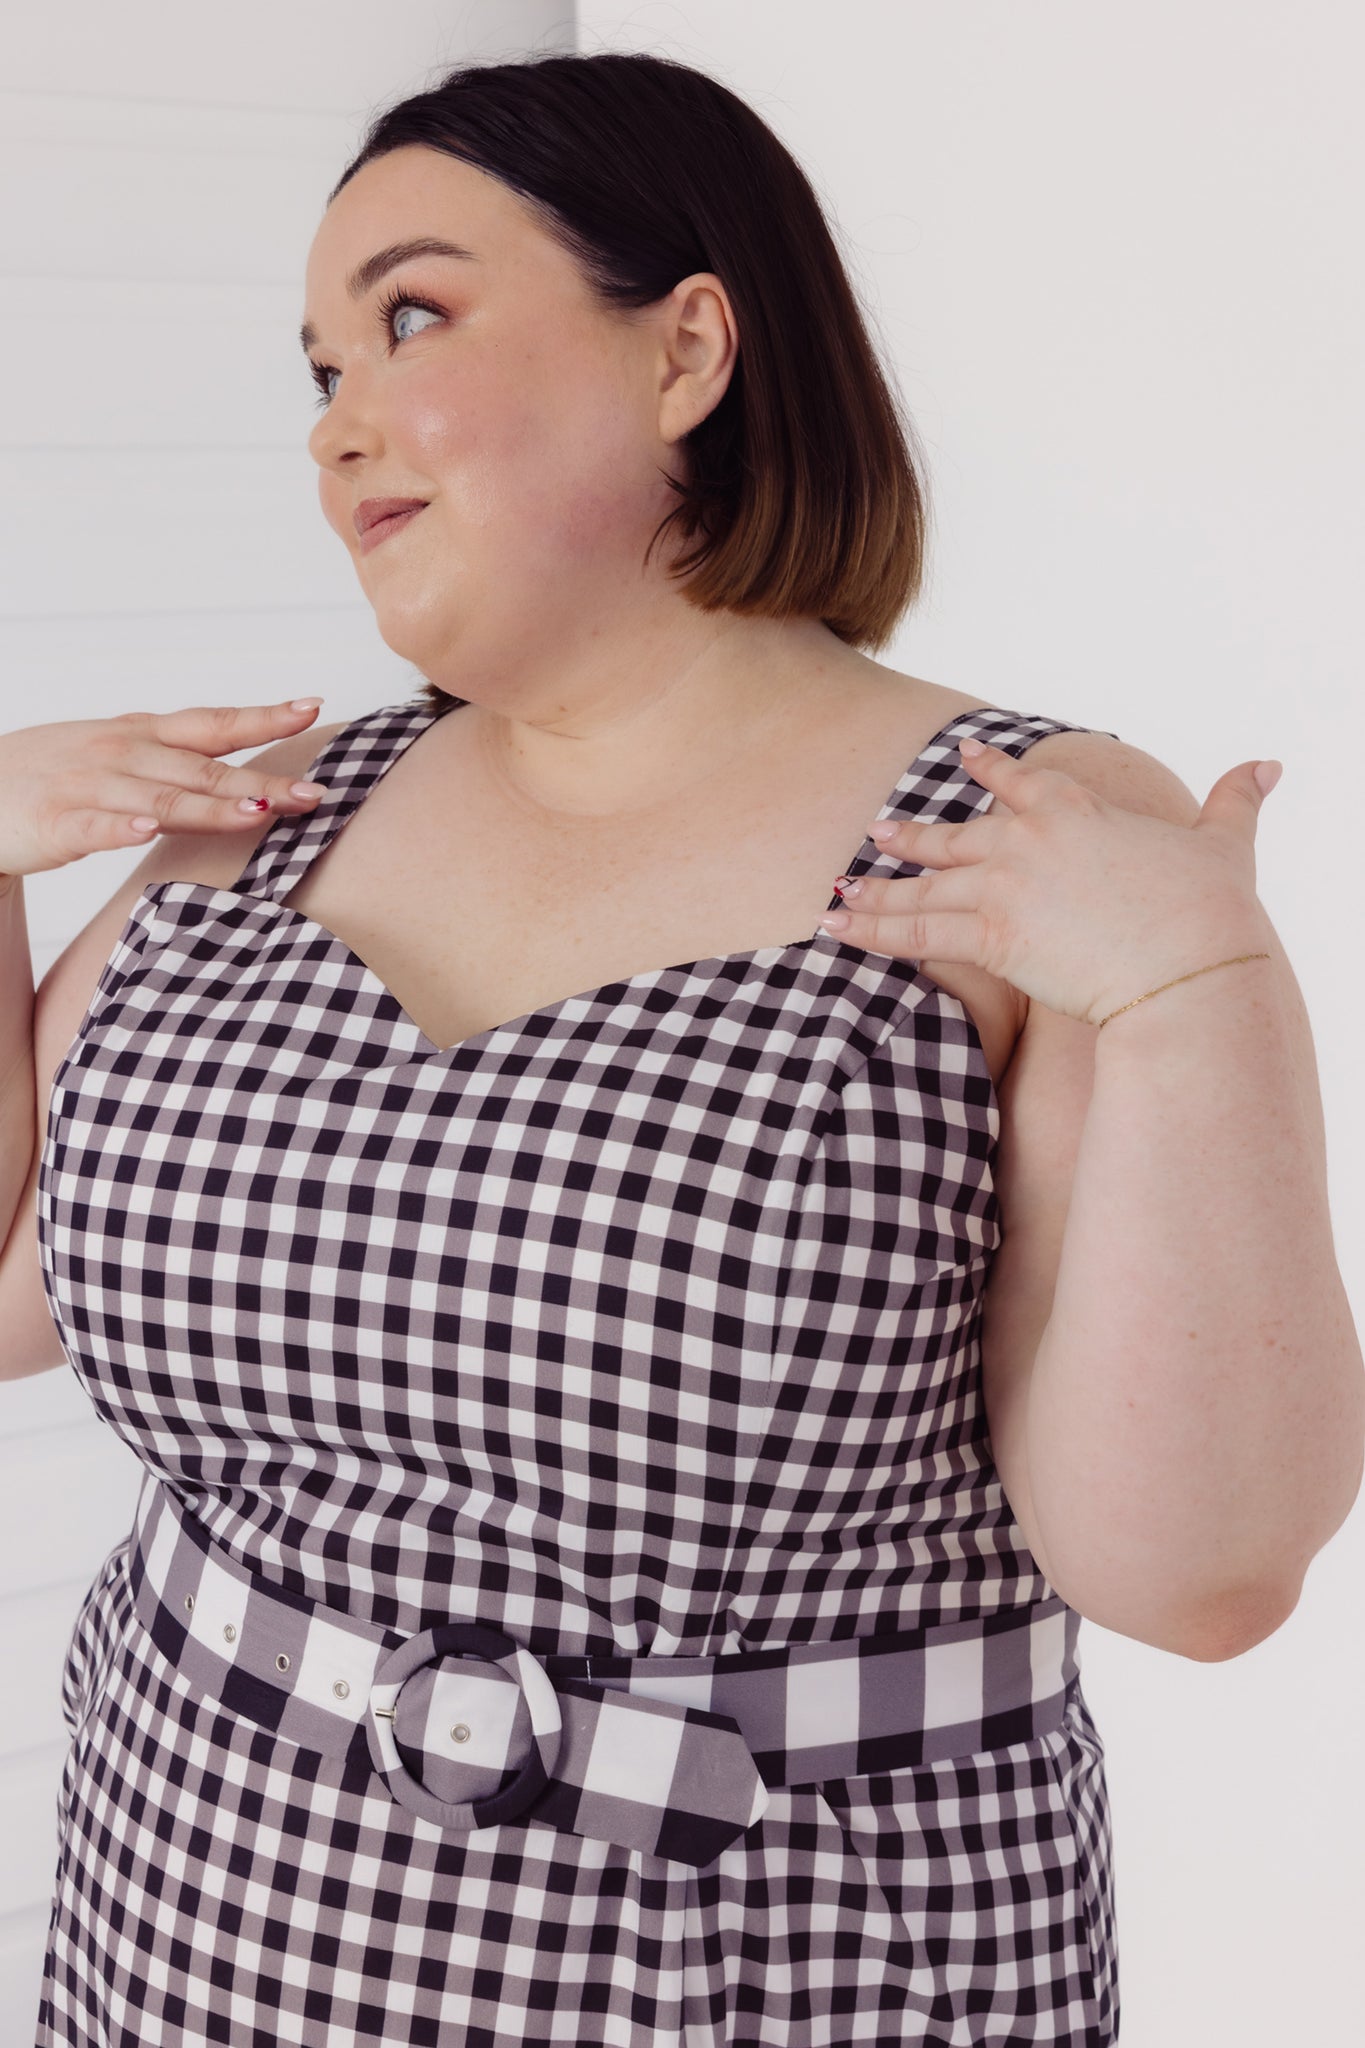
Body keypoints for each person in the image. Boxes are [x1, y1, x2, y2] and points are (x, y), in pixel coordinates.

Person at [3, 48, 1355, 2048]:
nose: (337, 424)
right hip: (190, 1916)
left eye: (411, 317)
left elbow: (1193, 1572)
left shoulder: (1019, 829)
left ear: (686, 348)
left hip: (760, 1975)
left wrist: (1192, 999)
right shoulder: (283, 819)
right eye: (315, 371)